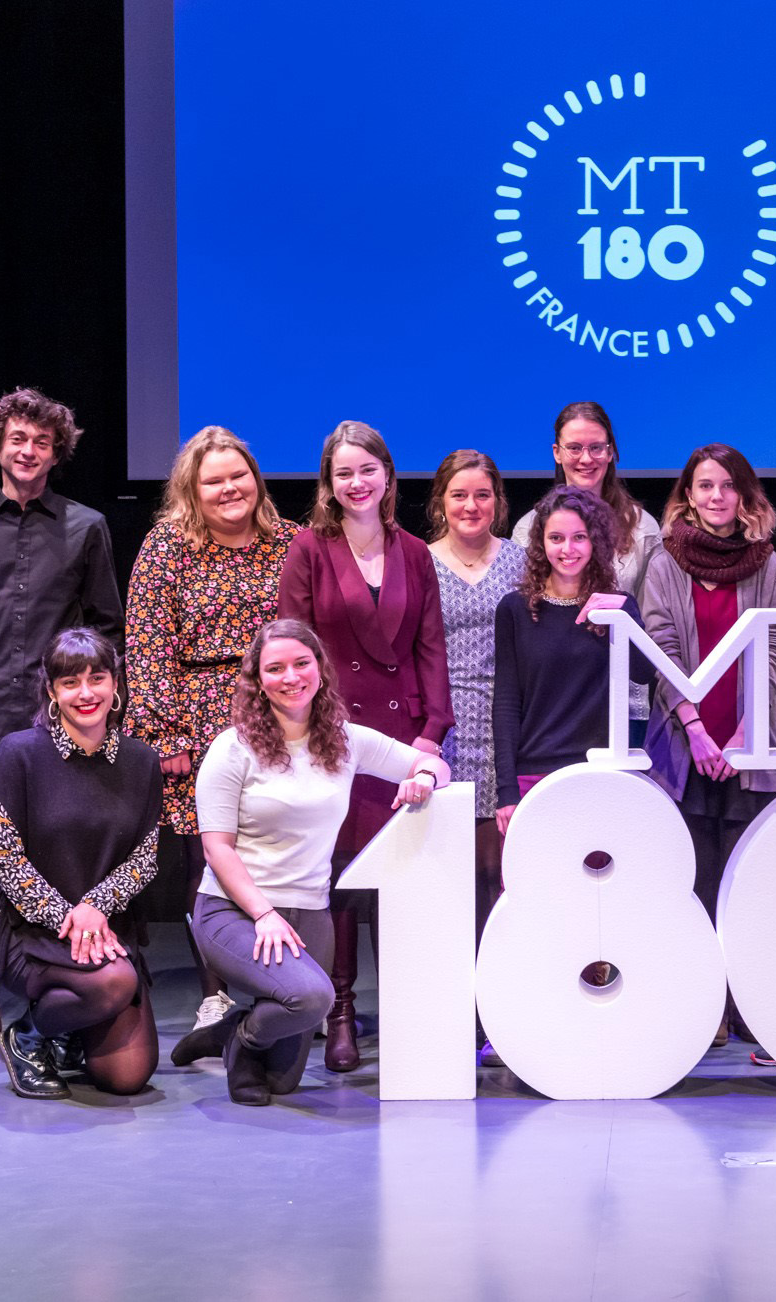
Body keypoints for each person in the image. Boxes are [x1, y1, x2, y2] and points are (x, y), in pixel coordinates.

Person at [0, 387, 123, 1062]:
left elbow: (104, 628)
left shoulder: (86, 525)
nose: (28, 450)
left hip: (61, 727)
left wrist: (95, 709)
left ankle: (60, 1002)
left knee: (63, 864)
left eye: (41, 441)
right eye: (17, 439)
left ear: (55, 451)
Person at [170, 620, 450, 1103]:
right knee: (313, 997)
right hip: (234, 910)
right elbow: (216, 847)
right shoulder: (232, 748)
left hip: (308, 913)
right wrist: (263, 914)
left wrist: (423, 775)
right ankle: (243, 1037)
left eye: (302, 663)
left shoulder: (345, 740)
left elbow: (433, 764)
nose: (291, 676)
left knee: (284, 1080)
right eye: (274, 668)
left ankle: (236, 1033)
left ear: (320, 668)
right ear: (257, 680)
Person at [278, 421, 453, 1071]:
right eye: (343, 473)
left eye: (367, 470)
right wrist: (306, 729)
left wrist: (431, 735)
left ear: (387, 474)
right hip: (336, 738)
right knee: (344, 879)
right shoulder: (309, 550)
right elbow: (291, 648)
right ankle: (343, 1012)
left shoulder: (414, 552)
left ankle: (409, 1007)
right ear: (328, 483)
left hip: (404, 738)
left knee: (404, 875)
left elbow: (429, 648)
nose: (356, 483)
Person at [124, 428, 297, 1035]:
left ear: (256, 478)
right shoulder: (167, 545)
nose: (229, 489)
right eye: (213, 480)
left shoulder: (290, 543)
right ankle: (216, 994)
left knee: (282, 850)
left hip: (281, 716)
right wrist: (164, 731)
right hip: (197, 723)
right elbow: (146, 642)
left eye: (238, 475)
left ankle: (290, 985)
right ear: (192, 489)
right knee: (212, 860)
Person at [640, 445, 776, 1046]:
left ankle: (748, 1002)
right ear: (688, 495)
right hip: (686, 746)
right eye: (704, 486)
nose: (716, 497)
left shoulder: (768, 563)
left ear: (745, 496)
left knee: (748, 881)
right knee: (695, 881)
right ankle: (705, 1008)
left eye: (728, 486)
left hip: (749, 746)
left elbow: (774, 648)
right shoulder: (664, 560)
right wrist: (698, 731)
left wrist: (745, 733)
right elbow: (660, 648)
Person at [0, 629, 160, 1099]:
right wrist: (69, 918)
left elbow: (145, 857)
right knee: (115, 982)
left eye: (96, 678)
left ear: (115, 683)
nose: (85, 693)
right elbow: (3, 857)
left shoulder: (141, 762)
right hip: (30, 928)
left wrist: (96, 908)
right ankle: (29, 1037)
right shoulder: (19, 753)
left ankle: (69, 1033)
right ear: (52, 691)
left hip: (106, 928)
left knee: (127, 1078)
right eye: (70, 682)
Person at [426, 449, 524, 1058]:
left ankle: (500, 1004)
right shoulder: (417, 560)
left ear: (497, 501)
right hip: (441, 727)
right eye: (460, 495)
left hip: (508, 723)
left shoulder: (519, 560)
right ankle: (448, 1004)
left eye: (483, 495)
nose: (471, 506)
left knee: (498, 874)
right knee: (447, 877)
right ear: (442, 500)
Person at [493, 485, 654, 836]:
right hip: (534, 772)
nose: (568, 549)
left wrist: (624, 616)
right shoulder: (515, 609)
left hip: (599, 771)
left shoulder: (617, 606)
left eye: (579, 537)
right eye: (556, 538)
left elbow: (643, 674)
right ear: (541, 543)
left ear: (595, 541)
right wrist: (506, 789)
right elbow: (505, 702)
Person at [510, 402, 663, 739]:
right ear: (556, 452)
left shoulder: (643, 529)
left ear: (611, 453)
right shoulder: (529, 529)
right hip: (550, 707)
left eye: (597, 447)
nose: (586, 458)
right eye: (575, 448)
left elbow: (651, 625)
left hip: (623, 705)